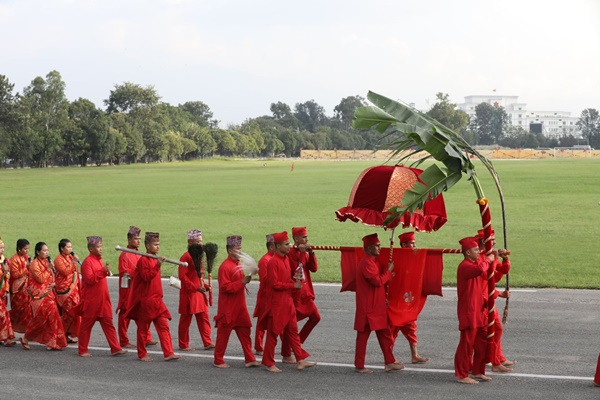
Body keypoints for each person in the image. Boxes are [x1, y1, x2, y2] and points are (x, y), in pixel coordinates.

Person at [261, 231, 316, 373]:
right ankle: (268, 362)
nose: (289, 246)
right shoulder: (273, 262)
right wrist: (292, 285)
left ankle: (300, 360)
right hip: (277, 304)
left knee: (293, 331)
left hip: (288, 301)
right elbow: (274, 284)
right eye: (286, 244)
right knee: (273, 334)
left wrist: (294, 282)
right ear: (278, 246)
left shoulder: (285, 258)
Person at [125, 232, 180, 362]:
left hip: (157, 300)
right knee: (143, 329)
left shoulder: (154, 258)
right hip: (146, 301)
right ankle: (142, 354)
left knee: (163, 326)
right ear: (148, 246)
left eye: (158, 244)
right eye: (155, 245)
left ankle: (168, 353)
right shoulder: (144, 260)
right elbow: (146, 277)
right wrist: (158, 265)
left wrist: (157, 263)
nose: (158, 247)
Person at [354, 233, 403, 374]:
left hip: (375, 305)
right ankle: (359, 364)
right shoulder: (367, 263)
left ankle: (389, 361)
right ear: (369, 248)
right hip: (368, 307)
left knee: (385, 333)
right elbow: (377, 282)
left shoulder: (373, 262)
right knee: (363, 336)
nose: (379, 248)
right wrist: (388, 271)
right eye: (377, 246)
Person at [213, 235, 259, 368]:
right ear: (230, 250)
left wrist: (247, 277)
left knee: (245, 332)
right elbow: (225, 287)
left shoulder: (237, 264)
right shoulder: (225, 267)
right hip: (228, 308)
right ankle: (218, 360)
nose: (241, 252)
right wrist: (242, 281)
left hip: (239, 307)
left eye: (241, 248)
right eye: (238, 249)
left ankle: (249, 358)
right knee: (223, 335)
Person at [454, 236, 494, 384]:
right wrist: (489, 259)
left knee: (483, 342)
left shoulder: (474, 263)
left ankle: (478, 370)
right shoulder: (465, 266)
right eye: (475, 249)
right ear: (468, 252)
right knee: (466, 345)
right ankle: (462, 374)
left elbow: (478, 285)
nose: (478, 252)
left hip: (479, 310)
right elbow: (480, 268)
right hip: (469, 311)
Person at [78, 236, 126, 358]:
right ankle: (82, 349)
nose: (101, 249)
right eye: (98, 247)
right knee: (86, 326)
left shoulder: (98, 260)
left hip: (103, 300)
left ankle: (115, 348)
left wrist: (103, 271)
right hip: (92, 301)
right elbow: (89, 280)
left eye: (101, 246)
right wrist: (103, 271)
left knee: (108, 324)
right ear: (91, 248)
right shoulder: (87, 262)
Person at [476, 229, 514, 372]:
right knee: (494, 329)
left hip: (489, 298)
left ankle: (498, 357)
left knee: (496, 329)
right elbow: (487, 278)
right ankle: (493, 359)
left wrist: (504, 259)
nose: (495, 242)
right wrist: (500, 294)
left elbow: (502, 271)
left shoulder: (489, 256)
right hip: (483, 300)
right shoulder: (481, 258)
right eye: (492, 240)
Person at [389, 231, 430, 364]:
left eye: (414, 243)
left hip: (408, 301)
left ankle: (415, 355)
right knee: (392, 329)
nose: (414, 246)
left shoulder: (415, 257)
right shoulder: (395, 257)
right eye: (412, 243)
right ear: (404, 244)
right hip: (396, 300)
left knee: (411, 326)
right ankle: (389, 357)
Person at [281, 226, 320, 363]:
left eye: (306, 237)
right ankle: (287, 353)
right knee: (289, 325)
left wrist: (312, 253)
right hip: (295, 293)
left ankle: (296, 344)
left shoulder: (304, 251)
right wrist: (303, 253)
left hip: (306, 292)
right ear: (296, 239)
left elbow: (313, 268)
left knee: (316, 317)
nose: (306, 239)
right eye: (304, 237)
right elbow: (295, 268)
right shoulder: (290, 252)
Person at [22, 242, 67, 350]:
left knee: (54, 317)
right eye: (44, 250)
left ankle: (52, 342)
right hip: (39, 295)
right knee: (40, 318)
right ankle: (26, 337)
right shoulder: (35, 264)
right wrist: (48, 269)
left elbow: (51, 277)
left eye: (47, 250)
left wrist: (53, 283)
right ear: (38, 252)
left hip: (49, 294)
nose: (47, 252)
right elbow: (40, 279)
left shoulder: (47, 262)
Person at [116, 226, 155, 348]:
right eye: (136, 239)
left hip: (138, 289)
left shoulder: (140, 254)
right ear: (129, 240)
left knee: (141, 314)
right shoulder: (125, 255)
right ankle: (123, 340)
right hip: (128, 289)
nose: (138, 241)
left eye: (139, 239)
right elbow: (124, 272)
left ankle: (147, 338)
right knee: (125, 315)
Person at [178, 229, 214, 352]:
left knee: (204, 317)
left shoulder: (198, 256)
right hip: (190, 293)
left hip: (199, 291)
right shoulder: (186, 256)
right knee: (186, 319)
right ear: (190, 242)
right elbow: (183, 277)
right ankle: (183, 344)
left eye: (201, 241)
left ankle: (207, 342)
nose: (200, 243)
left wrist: (205, 286)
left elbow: (199, 276)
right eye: (198, 241)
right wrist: (195, 287)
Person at [53, 238, 81, 344]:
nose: (70, 249)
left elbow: (75, 272)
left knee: (75, 312)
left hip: (73, 289)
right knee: (68, 313)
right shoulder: (58, 260)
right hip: (64, 290)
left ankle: (66, 334)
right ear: (62, 248)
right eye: (68, 247)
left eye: (71, 247)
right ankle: (59, 333)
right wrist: (73, 262)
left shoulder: (70, 257)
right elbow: (65, 272)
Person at [253, 234, 275, 356]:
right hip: (266, 295)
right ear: (271, 247)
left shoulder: (276, 258)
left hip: (274, 295)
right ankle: (259, 346)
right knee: (262, 321)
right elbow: (265, 279)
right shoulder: (265, 260)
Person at [8, 239, 32, 334]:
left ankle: (26, 328)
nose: (27, 251)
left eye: (28, 249)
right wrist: (27, 269)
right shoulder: (14, 260)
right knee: (18, 309)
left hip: (26, 288)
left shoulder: (26, 258)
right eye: (25, 249)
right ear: (19, 248)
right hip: (17, 289)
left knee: (27, 309)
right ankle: (12, 326)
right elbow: (15, 274)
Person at [0, 237, 16, 346]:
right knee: (3, 314)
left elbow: (8, 276)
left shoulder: (4, 260)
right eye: (0, 248)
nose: (2, 250)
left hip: (2, 292)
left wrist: (7, 273)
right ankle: (5, 338)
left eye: (3, 248)